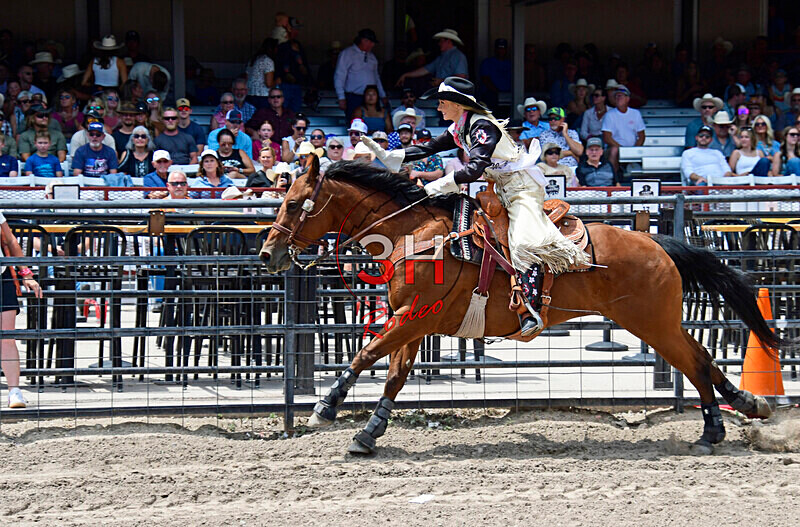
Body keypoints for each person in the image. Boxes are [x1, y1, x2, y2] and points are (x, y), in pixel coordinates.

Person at [362, 77, 587, 337]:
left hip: (521, 189)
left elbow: (473, 169)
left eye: (442, 102)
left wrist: (440, 184)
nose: (438, 108)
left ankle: (530, 307)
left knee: (523, 242)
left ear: (457, 104)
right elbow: (432, 147)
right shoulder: (462, 126)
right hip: (500, 188)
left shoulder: (482, 127)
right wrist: (394, 155)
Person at [0, 212, 43, 408]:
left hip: (2, 275)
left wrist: (25, 273)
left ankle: (14, 391)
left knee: (7, 337)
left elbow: (10, 240)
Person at [335, 29, 387, 122]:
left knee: (371, 122)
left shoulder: (372, 57)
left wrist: (382, 95)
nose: (372, 45)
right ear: (364, 41)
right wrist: (341, 97)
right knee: (354, 124)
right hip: (353, 97)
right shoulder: (347, 54)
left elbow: (376, 77)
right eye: (371, 42)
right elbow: (340, 76)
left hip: (371, 97)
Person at [396, 29, 468, 87]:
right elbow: (425, 69)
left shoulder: (458, 56)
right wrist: (406, 75)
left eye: (441, 41)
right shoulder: (441, 58)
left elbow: (461, 77)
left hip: (454, 95)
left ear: (448, 41)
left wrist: (441, 81)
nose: (439, 44)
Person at [601, 85, 646, 173]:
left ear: (627, 98)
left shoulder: (635, 113)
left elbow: (641, 135)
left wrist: (634, 150)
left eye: (620, 96)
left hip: (633, 148)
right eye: (616, 96)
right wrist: (621, 149)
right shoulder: (609, 115)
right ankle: (614, 179)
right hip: (614, 148)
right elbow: (607, 137)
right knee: (614, 150)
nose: (618, 98)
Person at [479, 38, 511, 109]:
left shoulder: (510, 63)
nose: (501, 51)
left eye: (503, 48)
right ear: (495, 49)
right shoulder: (487, 62)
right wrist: (498, 92)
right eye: (499, 48)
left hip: (509, 96)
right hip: (491, 96)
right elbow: (485, 79)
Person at [245, 39, 277, 110]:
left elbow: (246, 78)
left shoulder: (252, 60)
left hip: (250, 94)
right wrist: (277, 82)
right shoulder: (268, 61)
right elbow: (269, 83)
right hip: (263, 96)